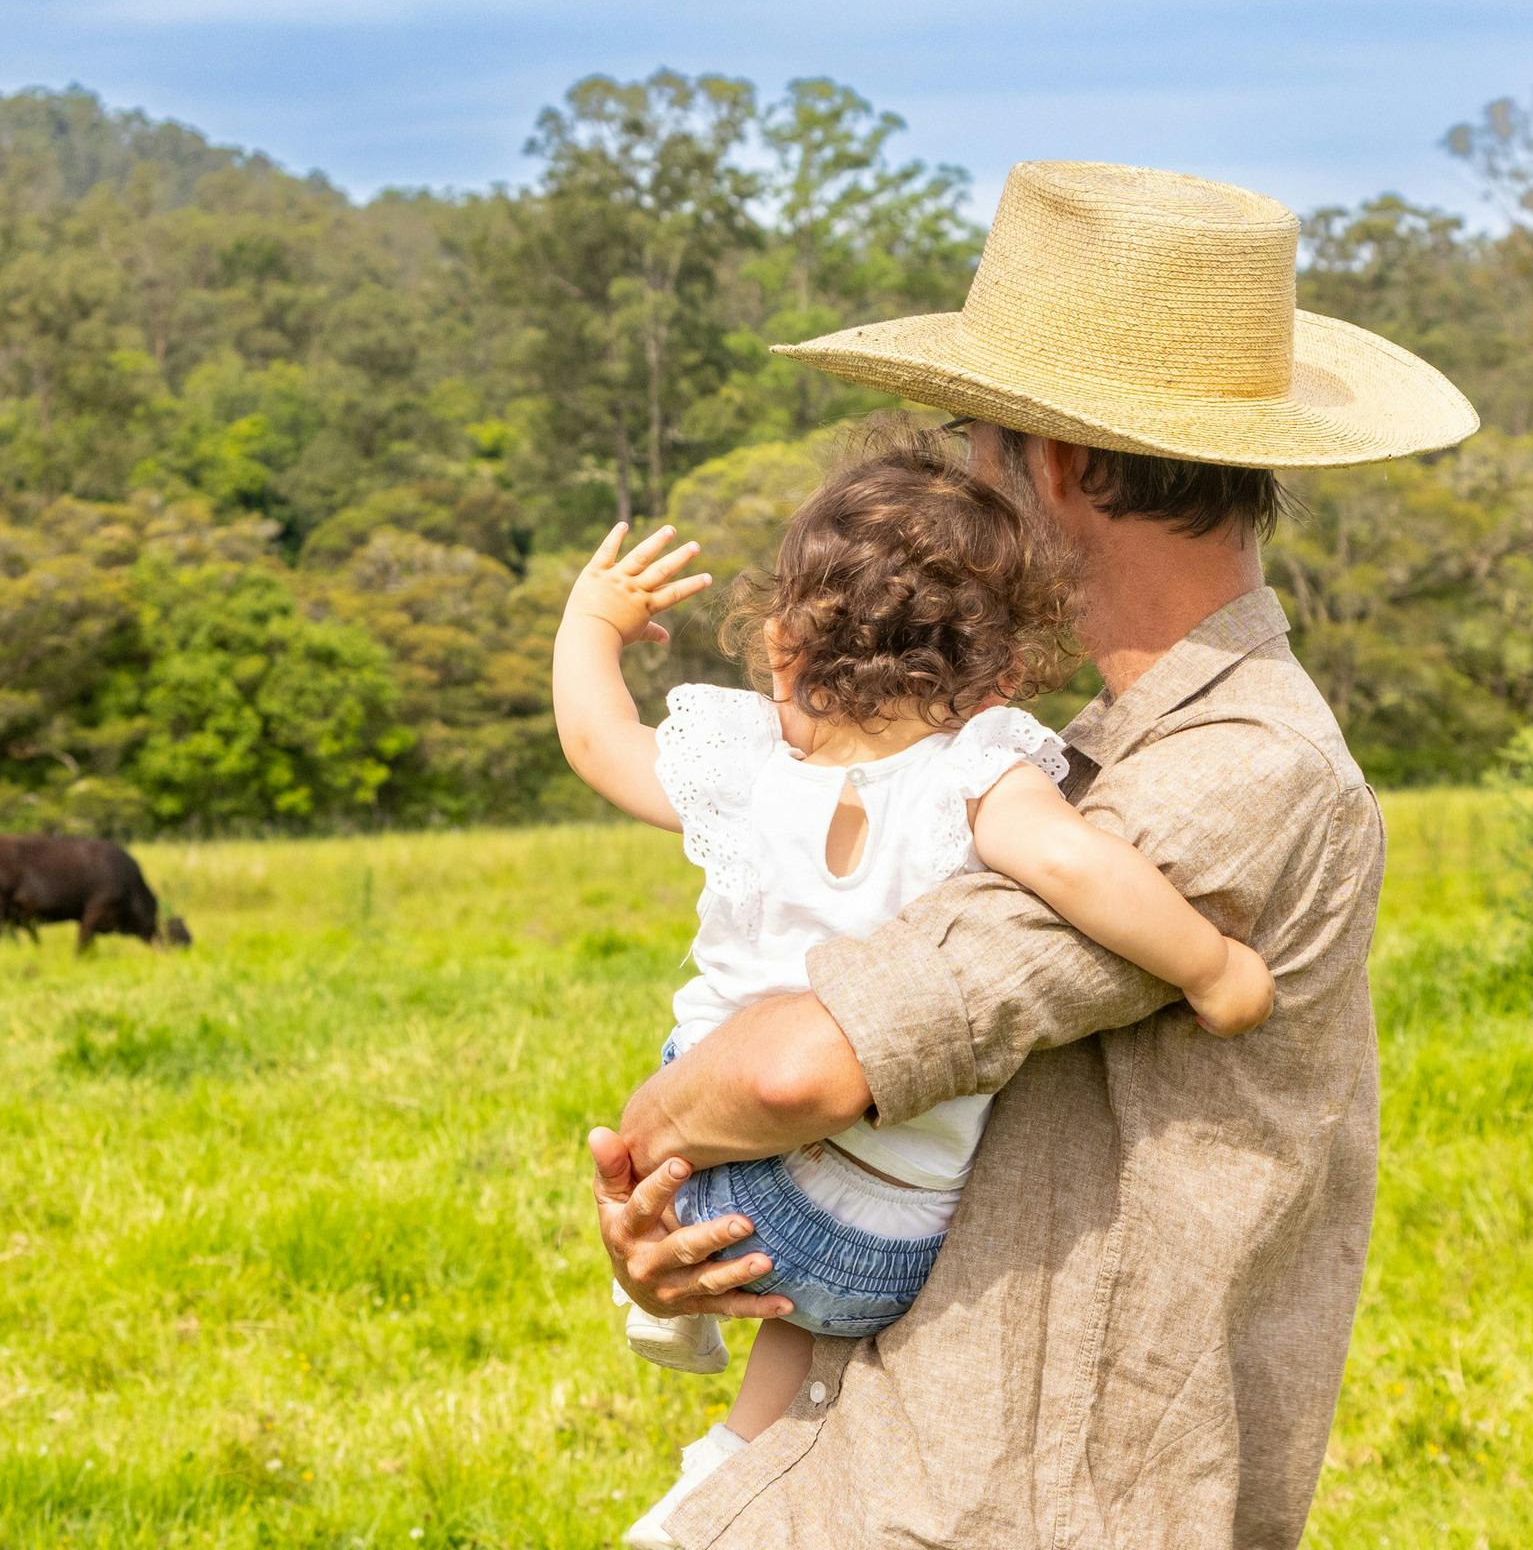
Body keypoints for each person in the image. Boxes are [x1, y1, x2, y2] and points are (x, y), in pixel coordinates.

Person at [588, 161, 1476, 1550]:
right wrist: (685, 1216)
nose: (953, 479)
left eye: (968, 438)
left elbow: (794, 1065)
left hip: (1014, 1502)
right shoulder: (1092, 748)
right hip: (913, 1462)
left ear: (1052, 462)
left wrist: (649, 1146)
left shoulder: (1236, 771)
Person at [556, 434, 1278, 1544]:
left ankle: (695, 1424)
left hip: (704, 1183)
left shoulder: (750, 767)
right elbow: (1083, 869)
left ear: (782, 644)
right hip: (886, 1233)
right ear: (998, 666)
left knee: (717, 1066)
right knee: (820, 1271)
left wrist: (591, 623)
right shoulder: (978, 768)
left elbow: (599, 740)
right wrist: (1215, 968)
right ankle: (725, 1464)